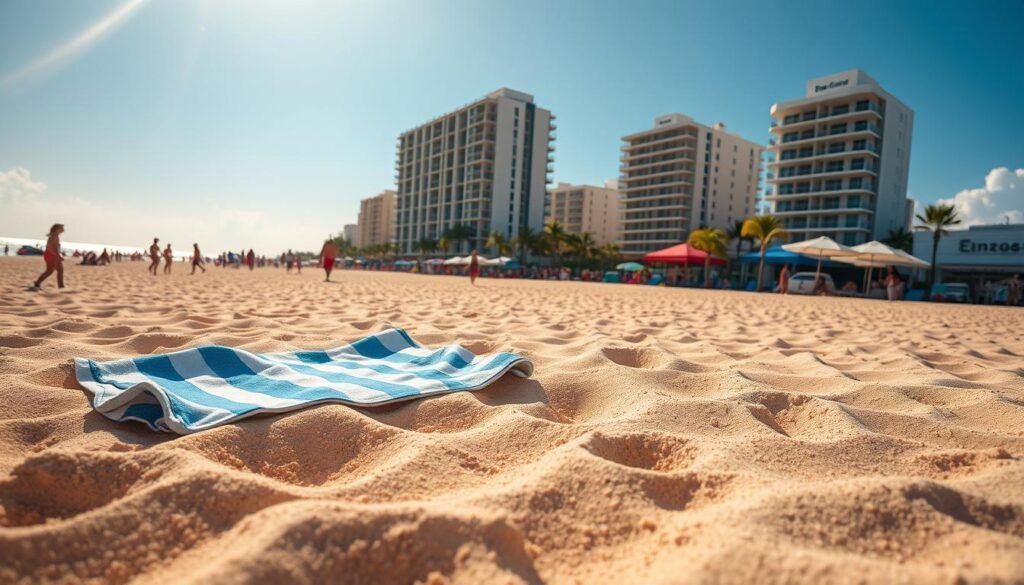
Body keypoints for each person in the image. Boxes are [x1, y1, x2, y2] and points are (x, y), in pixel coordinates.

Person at [32, 223, 65, 290]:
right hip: (52, 255)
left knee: (49, 271)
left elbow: (51, 247)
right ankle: (61, 286)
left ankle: (37, 282)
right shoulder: (54, 236)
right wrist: (58, 256)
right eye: (61, 228)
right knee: (59, 270)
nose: (63, 230)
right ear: (57, 229)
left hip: (49, 255)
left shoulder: (54, 236)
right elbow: (53, 248)